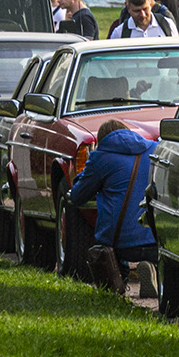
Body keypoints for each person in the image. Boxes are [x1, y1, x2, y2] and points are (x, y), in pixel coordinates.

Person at [68, 119, 157, 291]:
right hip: (154, 239)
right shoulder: (154, 150)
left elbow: (78, 196)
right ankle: (153, 271)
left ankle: (117, 283)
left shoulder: (100, 158)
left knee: (108, 243)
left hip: (119, 244)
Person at [108, 0, 179, 39]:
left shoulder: (167, 25)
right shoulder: (119, 33)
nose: (142, 15)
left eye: (145, 9)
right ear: (128, 8)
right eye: (137, 11)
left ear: (151, 4)